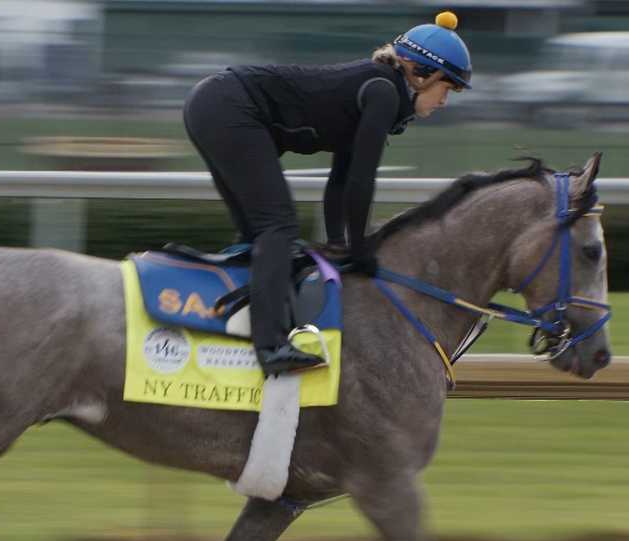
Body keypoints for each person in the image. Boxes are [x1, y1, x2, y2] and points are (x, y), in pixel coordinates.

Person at [182, 11, 473, 376]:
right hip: (228, 106)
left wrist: (339, 245)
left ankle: (230, 333)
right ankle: (270, 347)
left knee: (260, 234)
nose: (444, 101)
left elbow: (340, 181)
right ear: (421, 73)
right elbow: (361, 181)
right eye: (447, 88)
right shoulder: (383, 92)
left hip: (214, 103)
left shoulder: (376, 86)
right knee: (278, 226)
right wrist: (361, 251)